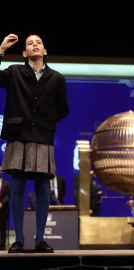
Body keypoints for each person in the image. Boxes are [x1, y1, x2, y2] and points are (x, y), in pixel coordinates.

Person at [0, 33, 69, 253]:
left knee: (42, 189)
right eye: (30, 43)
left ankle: (40, 240)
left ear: (45, 51)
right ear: (24, 53)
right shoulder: (14, 72)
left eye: (38, 42)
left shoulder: (57, 78)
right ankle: (19, 239)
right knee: (18, 188)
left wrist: (43, 123)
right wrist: (0, 50)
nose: (35, 45)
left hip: (42, 137)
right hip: (18, 135)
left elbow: (63, 109)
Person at [0, 167, 11, 250]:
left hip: (3, 209)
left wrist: (1, 203)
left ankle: (2, 245)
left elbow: (8, 195)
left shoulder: (6, 183)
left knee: (3, 227)